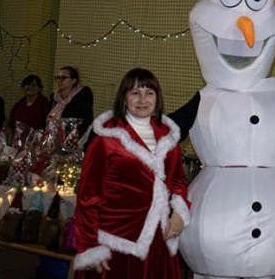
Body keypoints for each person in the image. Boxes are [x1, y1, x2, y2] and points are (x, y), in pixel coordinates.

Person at [73, 67, 190, 278]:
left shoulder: (170, 140)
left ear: (157, 98)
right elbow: (88, 197)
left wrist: (180, 213)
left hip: (159, 241)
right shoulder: (105, 141)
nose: (143, 99)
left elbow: (179, 181)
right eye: (135, 92)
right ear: (124, 97)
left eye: (149, 92)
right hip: (116, 244)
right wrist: (90, 247)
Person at [48, 66, 93, 136]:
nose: (60, 80)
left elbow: (85, 121)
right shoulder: (54, 98)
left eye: (64, 78)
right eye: (58, 78)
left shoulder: (82, 98)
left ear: (73, 81)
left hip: (72, 140)